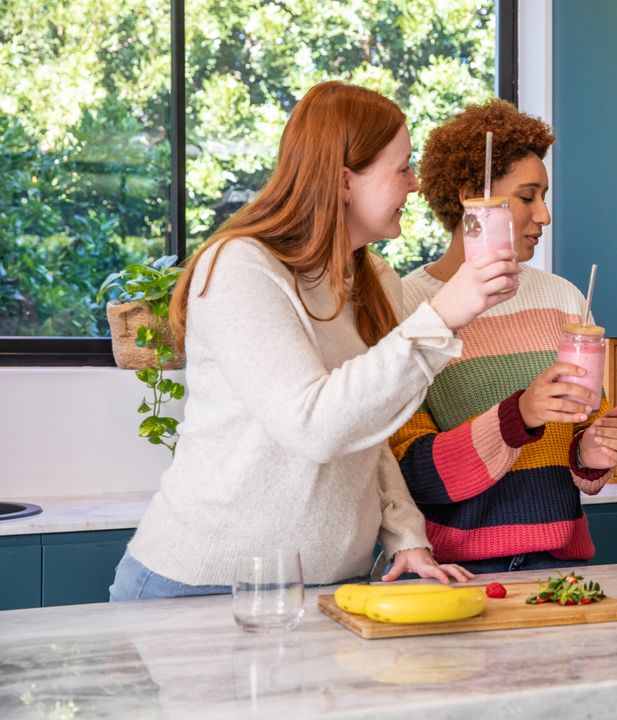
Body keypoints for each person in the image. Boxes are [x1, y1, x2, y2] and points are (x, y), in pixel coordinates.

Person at [110, 81, 520, 600]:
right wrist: (439, 317)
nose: (414, 184)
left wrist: (404, 534)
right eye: (402, 167)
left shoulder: (376, 281)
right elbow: (313, 425)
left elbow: (367, 430)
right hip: (203, 583)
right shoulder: (242, 267)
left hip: (333, 583)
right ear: (346, 180)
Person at [388, 99, 617, 574]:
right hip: (453, 573)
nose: (544, 215)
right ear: (468, 196)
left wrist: (594, 451)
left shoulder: (563, 299)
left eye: (544, 196)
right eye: (527, 196)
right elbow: (413, 473)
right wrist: (518, 415)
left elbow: (585, 438)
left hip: (557, 568)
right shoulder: (405, 307)